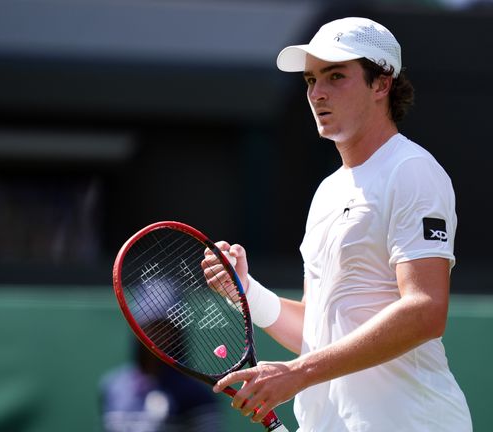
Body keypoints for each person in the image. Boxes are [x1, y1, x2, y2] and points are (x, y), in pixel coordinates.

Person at [202, 17, 472, 431]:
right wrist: (247, 292)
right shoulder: (327, 192)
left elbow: (426, 310)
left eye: (336, 76)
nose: (317, 93)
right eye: (311, 80)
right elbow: (318, 330)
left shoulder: (412, 171)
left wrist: (299, 372)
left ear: (381, 84)